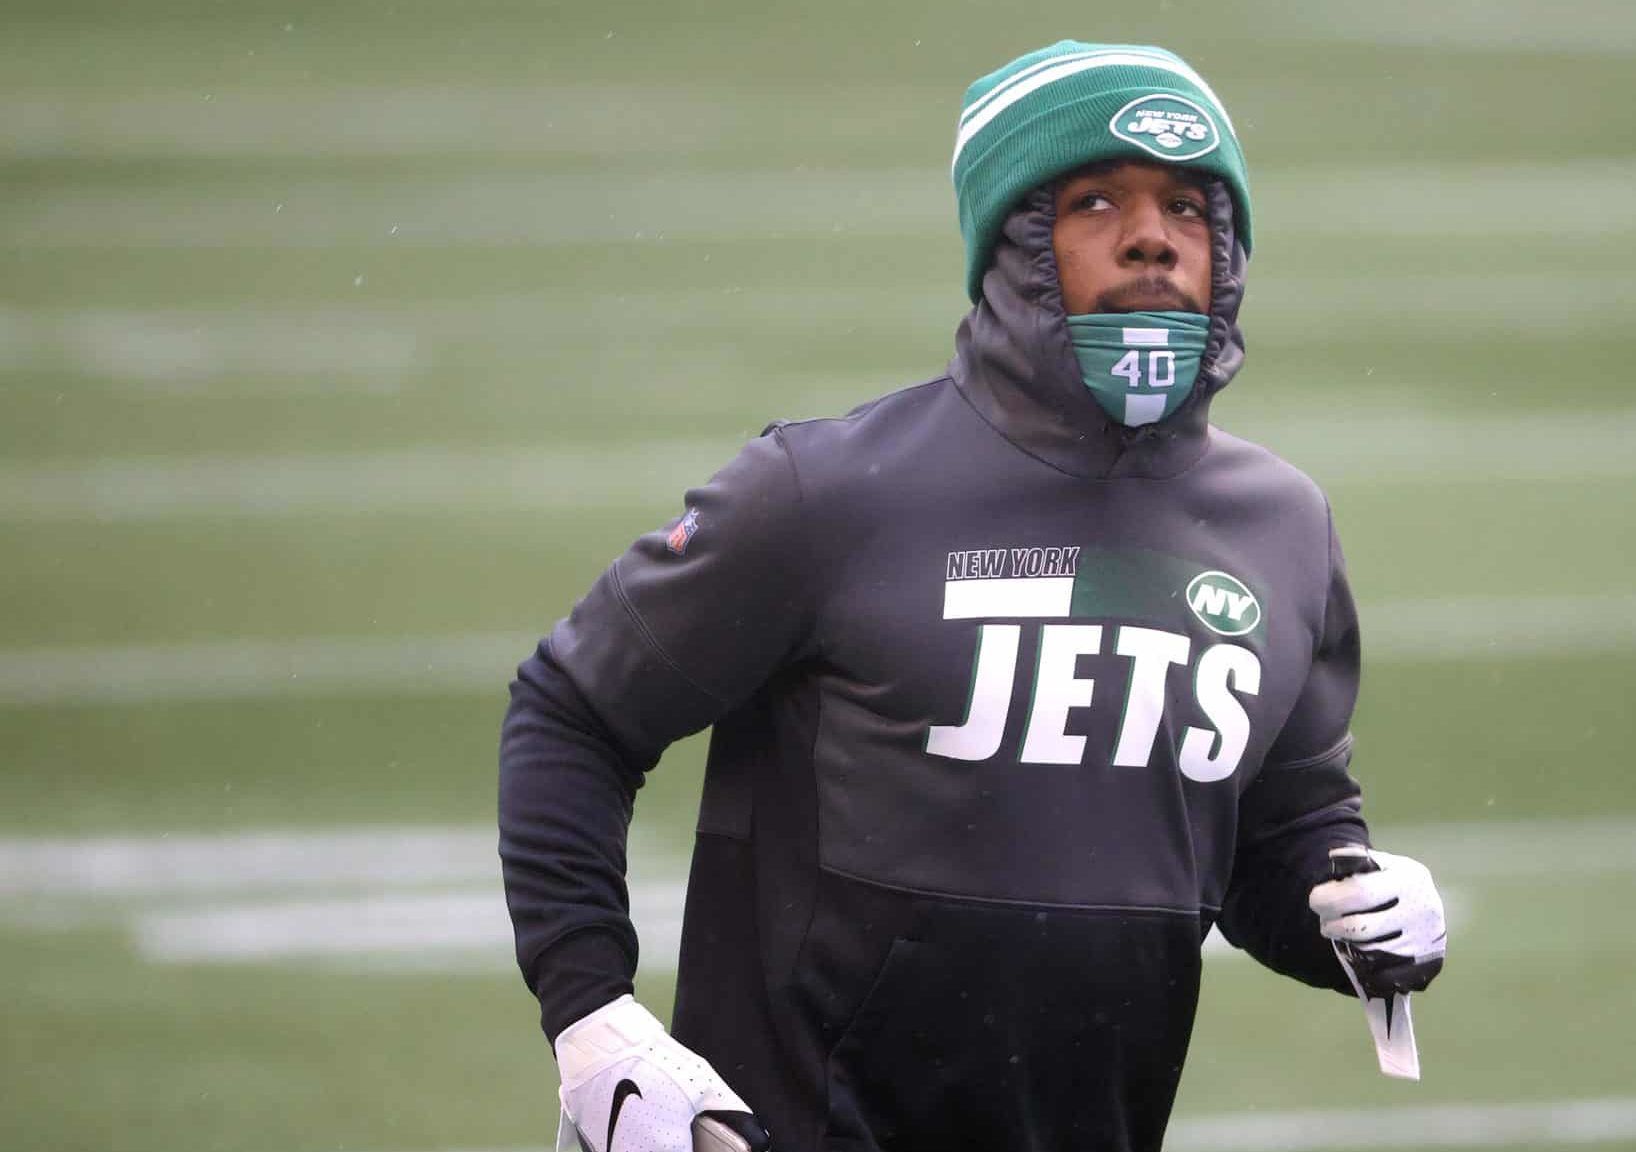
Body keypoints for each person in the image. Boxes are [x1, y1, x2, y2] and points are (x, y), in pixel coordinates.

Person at [500, 40, 1448, 1152]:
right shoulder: (825, 491)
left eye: (1189, 207)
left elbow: (1273, 838)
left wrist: (1354, 915)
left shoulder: (1282, 527)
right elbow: (573, 711)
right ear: (1015, 237)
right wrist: (592, 1016)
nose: (1152, 236)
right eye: (1097, 200)